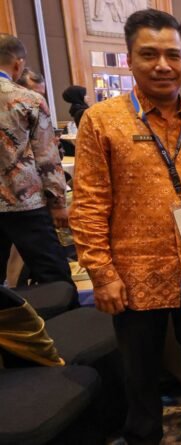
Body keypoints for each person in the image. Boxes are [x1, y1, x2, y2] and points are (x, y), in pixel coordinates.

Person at [69, 10, 181, 445]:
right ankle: (143, 430)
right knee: (139, 362)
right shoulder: (101, 120)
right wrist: (101, 274)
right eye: (149, 55)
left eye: (172, 55)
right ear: (129, 60)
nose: (163, 65)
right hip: (133, 271)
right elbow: (88, 204)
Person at [0, 34, 72, 292]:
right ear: (18, 64)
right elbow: (47, 157)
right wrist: (58, 202)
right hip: (24, 200)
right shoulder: (28, 99)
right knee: (55, 276)